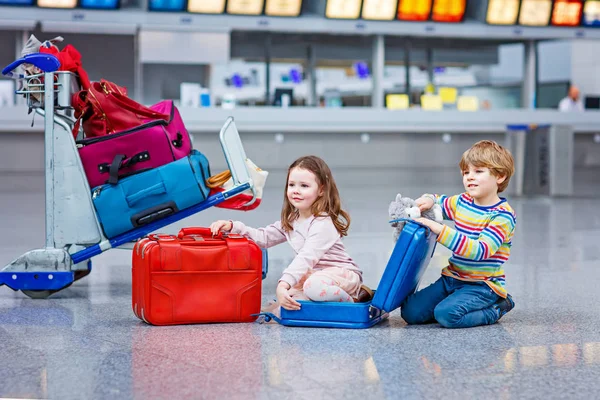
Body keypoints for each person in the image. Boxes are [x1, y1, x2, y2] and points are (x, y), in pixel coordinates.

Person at [209, 155, 373, 312]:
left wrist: (283, 284)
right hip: (315, 275)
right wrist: (233, 226)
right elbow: (264, 237)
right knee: (292, 300)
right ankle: (326, 300)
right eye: (292, 184)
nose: (296, 190)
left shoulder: (323, 223)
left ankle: (354, 302)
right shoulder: (292, 219)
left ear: (321, 190)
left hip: (341, 275)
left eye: (304, 186)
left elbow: (306, 257)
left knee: (311, 288)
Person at [401, 140, 517, 329]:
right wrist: (428, 199)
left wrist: (439, 230)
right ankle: (454, 298)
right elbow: (440, 201)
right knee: (410, 312)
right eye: (466, 172)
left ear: (500, 176)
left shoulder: (502, 216)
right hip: (452, 278)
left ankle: (498, 307)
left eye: (478, 171)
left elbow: (479, 251)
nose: (470, 177)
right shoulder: (463, 201)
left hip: (482, 285)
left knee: (447, 315)